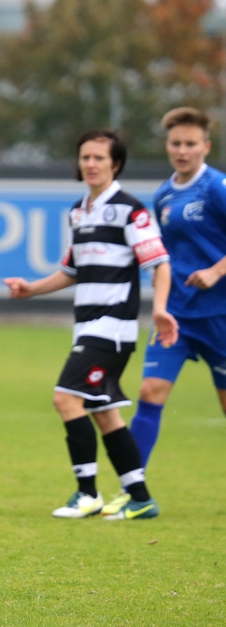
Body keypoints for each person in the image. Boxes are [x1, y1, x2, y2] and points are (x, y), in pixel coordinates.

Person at [4, 129, 178, 520]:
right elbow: (71, 270)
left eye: (100, 157)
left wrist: (162, 309)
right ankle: (140, 496)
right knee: (106, 413)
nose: (91, 164)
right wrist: (30, 289)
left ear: (115, 164)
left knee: (66, 399)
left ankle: (87, 494)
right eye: (86, 157)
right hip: (88, 328)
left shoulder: (131, 210)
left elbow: (159, 264)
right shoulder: (78, 212)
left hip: (112, 328)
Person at [128, 107, 226, 495]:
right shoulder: (164, 195)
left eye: (190, 144)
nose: (182, 150)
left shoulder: (216, 187)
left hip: (219, 315)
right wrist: (160, 305)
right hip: (177, 316)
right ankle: (132, 490)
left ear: (205, 146)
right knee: (150, 391)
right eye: (175, 143)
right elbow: (163, 259)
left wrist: (217, 272)